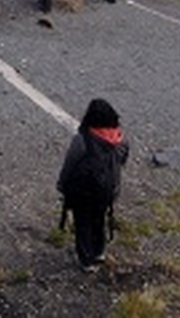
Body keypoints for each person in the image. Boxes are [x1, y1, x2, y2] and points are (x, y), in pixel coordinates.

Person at [56, 98, 130, 272]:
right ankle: (99, 252)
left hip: (83, 192)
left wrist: (61, 184)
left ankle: (86, 261)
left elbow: (70, 164)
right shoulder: (120, 139)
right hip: (108, 191)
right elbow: (122, 160)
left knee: (82, 223)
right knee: (99, 220)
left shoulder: (82, 140)